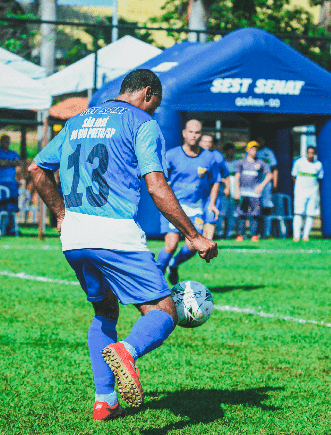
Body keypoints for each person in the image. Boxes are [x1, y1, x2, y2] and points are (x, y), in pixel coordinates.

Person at [28, 69, 218, 421]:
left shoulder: (77, 121)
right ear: (147, 93)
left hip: (75, 236)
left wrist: (61, 214)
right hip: (114, 234)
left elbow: (37, 170)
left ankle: (105, 401)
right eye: (155, 104)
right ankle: (127, 350)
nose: (154, 111)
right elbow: (156, 185)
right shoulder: (141, 122)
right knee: (163, 310)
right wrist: (193, 236)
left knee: (104, 311)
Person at [156, 120, 220, 286]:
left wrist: (212, 204)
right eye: (190, 132)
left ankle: (174, 264)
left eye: (197, 132)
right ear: (184, 133)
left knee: (194, 245)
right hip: (173, 207)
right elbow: (160, 178)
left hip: (195, 207)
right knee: (171, 244)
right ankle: (156, 280)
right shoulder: (172, 155)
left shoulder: (209, 158)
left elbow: (216, 181)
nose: (193, 135)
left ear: (201, 135)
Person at [234, 141, 272, 242]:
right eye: (252, 149)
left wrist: (261, 186)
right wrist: (237, 191)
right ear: (247, 150)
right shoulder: (241, 162)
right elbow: (237, 177)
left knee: (255, 214)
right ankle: (241, 235)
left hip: (255, 193)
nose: (254, 151)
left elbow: (269, 175)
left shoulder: (260, 162)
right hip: (243, 193)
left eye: (256, 149)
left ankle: (254, 235)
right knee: (241, 213)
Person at [199, 133, 230, 240]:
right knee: (198, 217)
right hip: (197, 193)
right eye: (204, 141)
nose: (207, 144)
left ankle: (208, 241)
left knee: (211, 215)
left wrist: (227, 187)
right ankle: (199, 241)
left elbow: (225, 173)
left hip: (212, 191)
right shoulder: (194, 154)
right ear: (200, 142)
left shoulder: (217, 156)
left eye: (210, 141)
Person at [291, 146, 324, 241]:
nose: (311, 155)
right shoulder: (299, 163)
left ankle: (306, 236)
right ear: (306, 153)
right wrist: (299, 187)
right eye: (309, 152)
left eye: (312, 153)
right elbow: (293, 176)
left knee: (310, 213)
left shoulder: (318, 164)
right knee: (298, 213)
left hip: (313, 192)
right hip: (300, 191)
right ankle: (296, 236)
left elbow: (319, 178)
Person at [255, 136, 278, 237]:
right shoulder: (252, 153)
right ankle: (255, 233)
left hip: (266, 184)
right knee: (255, 208)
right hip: (254, 184)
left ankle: (267, 233)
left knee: (266, 207)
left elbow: (274, 168)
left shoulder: (268, 152)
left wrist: (275, 183)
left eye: (261, 140)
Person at [216, 142, 238, 239]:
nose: (231, 152)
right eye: (229, 150)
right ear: (225, 152)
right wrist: (226, 187)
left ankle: (229, 233)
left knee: (232, 213)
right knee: (222, 213)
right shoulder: (222, 162)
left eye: (233, 150)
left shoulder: (237, 162)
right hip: (223, 189)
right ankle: (219, 233)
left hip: (235, 189)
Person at [0, 134, 20, 236]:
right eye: (5, 141)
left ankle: (12, 228)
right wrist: (11, 162)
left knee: (12, 206)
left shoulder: (13, 153)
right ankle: (2, 228)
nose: (6, 143)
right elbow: (1, 163)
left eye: (8, 141)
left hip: (12, 184)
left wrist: (6, 162)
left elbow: (18, 163)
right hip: (1, 184)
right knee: (2, 207)